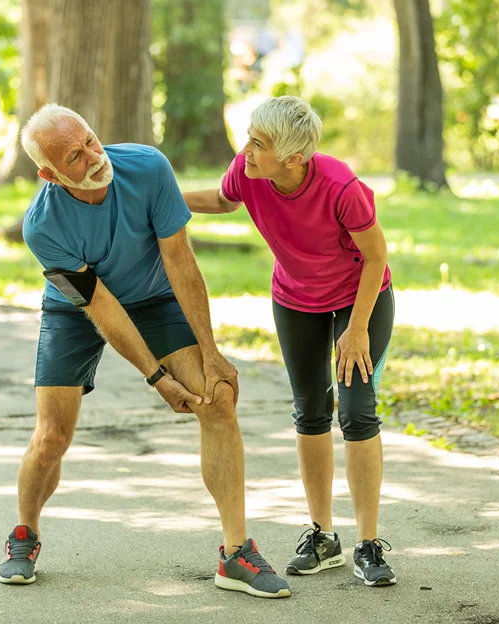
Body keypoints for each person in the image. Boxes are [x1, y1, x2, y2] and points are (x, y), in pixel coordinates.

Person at [0, 103, 290, 599]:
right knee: (51, 437)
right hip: (78, 310)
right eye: (74, 156)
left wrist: (211, 352)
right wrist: (156, 376)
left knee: (218, 398)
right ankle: (25, 532)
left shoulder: (148, 167)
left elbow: (179, 259)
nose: (93, 156)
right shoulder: (42, 226)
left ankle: (236, 553)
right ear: (48, 175)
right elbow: (102, 307)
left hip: (155, 295)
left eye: (91, 139)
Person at [183, 96, 397, 587]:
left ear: (294, 158)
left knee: (357, 410)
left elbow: (375, 253)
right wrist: (163, 198)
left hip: (359, 299)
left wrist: (357, 328)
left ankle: (368, 543)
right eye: (250, 139)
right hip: (296, 299)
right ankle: (323, 538)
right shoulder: (248, 169)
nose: (246, 150)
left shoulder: (342, 187)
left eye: (259, 144)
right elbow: (222, 199)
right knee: (310, 409)